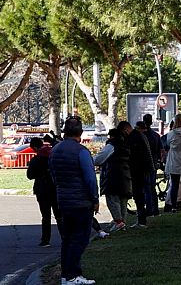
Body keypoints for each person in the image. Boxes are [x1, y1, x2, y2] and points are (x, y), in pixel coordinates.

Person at [50, 117, 98, 285]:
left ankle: (65, 275)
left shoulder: (55, 150)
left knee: (68, 239)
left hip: (63, 200)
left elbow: (54, 176)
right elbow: (90, 179)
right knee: (80, 239)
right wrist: (95, 198)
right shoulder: (81, 152)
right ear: (80, 132)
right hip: (81, 201)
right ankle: (73, 274)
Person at [95, 122, 134, 233]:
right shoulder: (127, 145)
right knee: (123, 202)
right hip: (126, 177)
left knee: (112, 201)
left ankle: (118, 222)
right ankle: (122, 223)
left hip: (112, 177)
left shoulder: (111, 146)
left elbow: (98, 159)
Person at [26, 137, 57, 246]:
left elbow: (30, 175)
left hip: (42, 189)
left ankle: (45, 240)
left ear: (34, 147)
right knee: (59, 215)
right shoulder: (53, 155)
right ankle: (65, 237)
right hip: (55, 188)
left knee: (46, 216)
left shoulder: (36, 159)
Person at [124, 121, 152, 228]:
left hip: (137, 171)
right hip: (144, 169)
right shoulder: (141, 136)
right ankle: (142, 219)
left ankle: (141, 220)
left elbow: (134, 156)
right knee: (143, 193)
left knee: (138, 195)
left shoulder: (134, 138)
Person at [139, 114, 164, 217]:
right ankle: (155, 209)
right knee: (152, 187)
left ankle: (149, 209)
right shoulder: (155, 135)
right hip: (153, 163)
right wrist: (159, 161)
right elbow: (161, 150)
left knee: (146, 187)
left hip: (143, 164)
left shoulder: (141, 136)